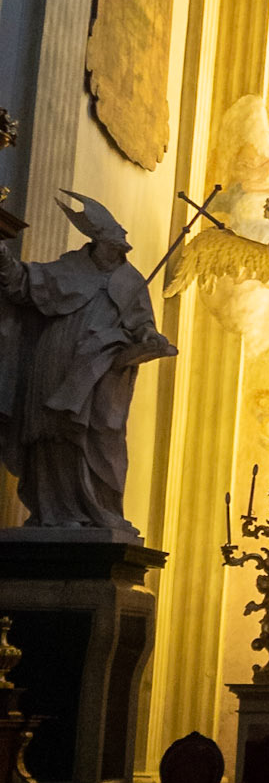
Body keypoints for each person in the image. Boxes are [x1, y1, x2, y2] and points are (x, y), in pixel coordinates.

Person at [0, 192, 175, 534]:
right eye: (115, 245)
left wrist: (150, 337)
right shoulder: (69, 269)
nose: (121, 251)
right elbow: (23, 284)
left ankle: (101, 512)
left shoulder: (132, 280)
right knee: (52, 436)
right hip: (54, 363)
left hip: (103, 373)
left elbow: (143, 324)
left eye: (123, 246)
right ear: (97, 243)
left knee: (101, 437)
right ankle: (53, 514)